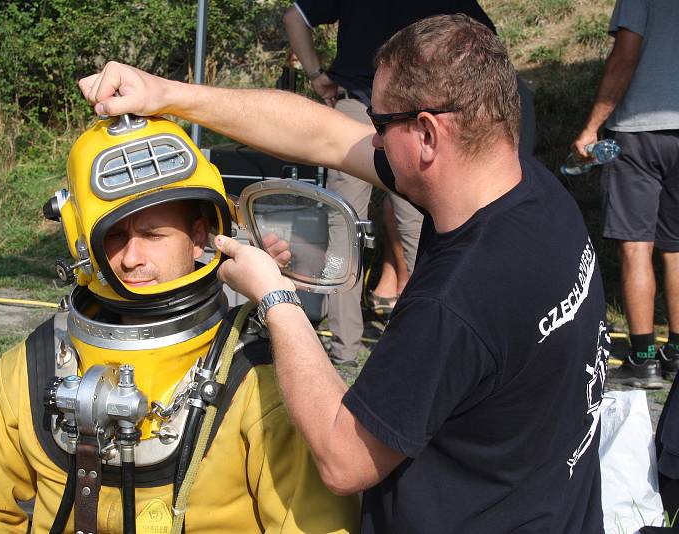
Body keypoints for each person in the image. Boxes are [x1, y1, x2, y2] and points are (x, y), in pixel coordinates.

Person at [79, 13, 606, 533]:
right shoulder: (532, 192)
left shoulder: (456, 303)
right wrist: (161, 93)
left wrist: (276, 300)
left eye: (380, 125)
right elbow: (323, 135)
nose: (371, 141)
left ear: (427, 133)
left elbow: (343, 459)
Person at [0, 116, 358, 533]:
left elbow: (316, 526)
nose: (131, 259)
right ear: (83, 242)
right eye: (114, 236)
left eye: (152, 235)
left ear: (199, 237)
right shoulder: (36, 365)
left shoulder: (259, 380)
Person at [283, 1, 497, 365]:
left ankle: (344, 348)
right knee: (422, 229)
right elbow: (483, 35)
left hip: (355, 111)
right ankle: (424, 340)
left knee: (344, 227)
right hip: (416, 117)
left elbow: (294, 17)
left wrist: (316, 73)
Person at [571, 0, 679, 390]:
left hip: (639, 132)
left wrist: (591, 127)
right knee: (677, 249)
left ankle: (644, 357)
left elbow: (625, 55)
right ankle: (677, 353)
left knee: (637, 246)